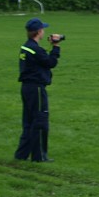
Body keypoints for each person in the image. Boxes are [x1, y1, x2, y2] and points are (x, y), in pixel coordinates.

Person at [14, 17, 62, 162]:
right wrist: (56, 46)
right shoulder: (35, 49)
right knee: (40, 120)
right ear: (39, 31)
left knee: (28, 122)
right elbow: (51, 63)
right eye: (43, 29)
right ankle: (39, 156)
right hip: (36, 89)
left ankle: (21, 154)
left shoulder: (26, 47)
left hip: (26, 88)